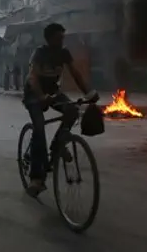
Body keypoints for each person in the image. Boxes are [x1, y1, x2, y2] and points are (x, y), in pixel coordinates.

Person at [23, 23, 98, 197]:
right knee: (39, 129)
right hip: (34, 94)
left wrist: (89, 92)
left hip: (53, 92)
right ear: (49, 39)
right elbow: (32, 77)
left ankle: (57, 146)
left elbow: (75, 74)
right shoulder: (39, 53)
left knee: (72, 111)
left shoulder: (64, 53)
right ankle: (36, 178)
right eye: (59, 38)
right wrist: (41, 97)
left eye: (63, 37)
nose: (62, 41)